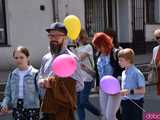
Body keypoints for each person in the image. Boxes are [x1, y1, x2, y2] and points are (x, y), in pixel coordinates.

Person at [38, 22, 84, 120]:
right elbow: (39, 78)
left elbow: (80, 85)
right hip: (47, 108)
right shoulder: (46, 58)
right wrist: (42, 82)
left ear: (65, 37)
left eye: (57, 35)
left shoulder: (71, 58)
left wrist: (55, 84)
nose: (53, 38)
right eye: (50, 36)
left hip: (63, 110)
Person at [0, 46, 40, 120]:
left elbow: (41, 93)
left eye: (21, 57)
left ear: (27, 58)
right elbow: (7, 94)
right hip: (17, 108)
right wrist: (4, 104)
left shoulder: (35, 73)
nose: (18, 60)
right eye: (16, 58)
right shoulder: (12, 74)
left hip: (32, 108)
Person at [92, 32, 121, 120]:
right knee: (104, 115)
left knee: (110, 116)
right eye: (97, 47)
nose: (100, 49)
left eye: (101, 46)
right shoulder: (98, 55)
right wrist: (97, 84)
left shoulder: (115, 53)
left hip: (114, 87)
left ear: (106, 43)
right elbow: (97, 71)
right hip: (102, 88)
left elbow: (121, 69)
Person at [76, 28, 101, 120]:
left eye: (77, 35)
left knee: (83, 101)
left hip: (87, 78)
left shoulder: (88, 47)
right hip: (78, 78)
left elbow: (78, 58)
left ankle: (99, 113)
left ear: (81, 36)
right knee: (78, 104)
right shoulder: (75, 48)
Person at [118, 48, 145, 120]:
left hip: (135, 103)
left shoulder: (137, 73)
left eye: (121, 60)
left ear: (128, 60)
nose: (119, 62)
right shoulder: (123, 73)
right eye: (119, 60)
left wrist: (128, 91)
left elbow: (142, 90)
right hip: (125, 103)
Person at [148, 29, 160, 95]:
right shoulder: (155, 49)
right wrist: (151, 65)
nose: (159, 39)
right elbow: (153, 61)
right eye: (157, 38)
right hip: (158, 76)